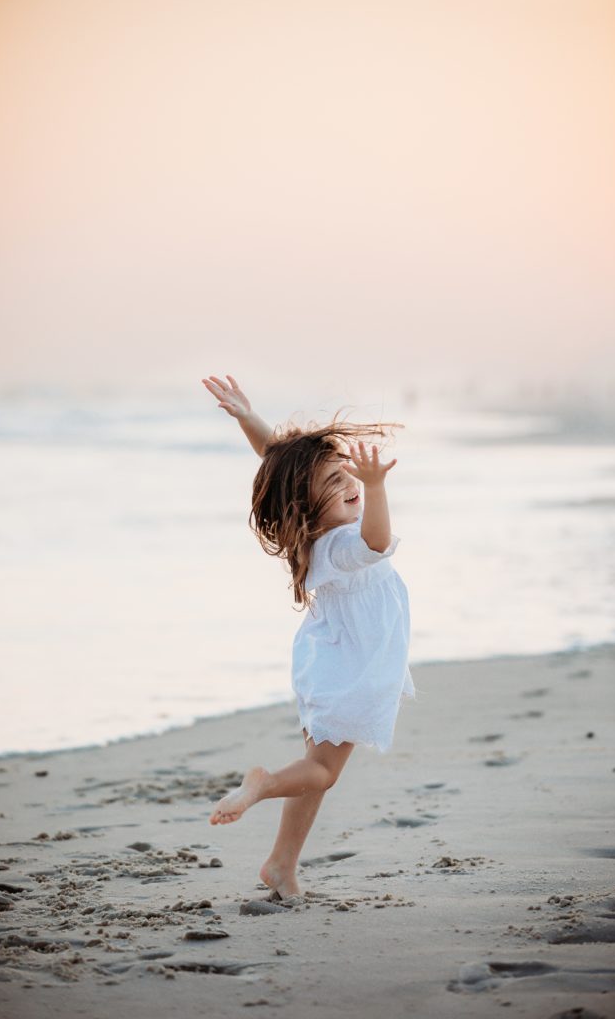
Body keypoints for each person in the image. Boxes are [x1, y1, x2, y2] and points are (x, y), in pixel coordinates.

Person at [200, 374, 416, 904]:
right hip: (351, 669)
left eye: (349, 473)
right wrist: (379, 485)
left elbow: (279, 462)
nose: (350, 483)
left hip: (328, 658)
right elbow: (377, 541)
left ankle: (281, 865)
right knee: (320, 772)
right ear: (307, 505)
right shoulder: (344, 544)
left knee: (314, 771)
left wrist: (249, 420)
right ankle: (262, 785)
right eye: (335, 484)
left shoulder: (314, 534)